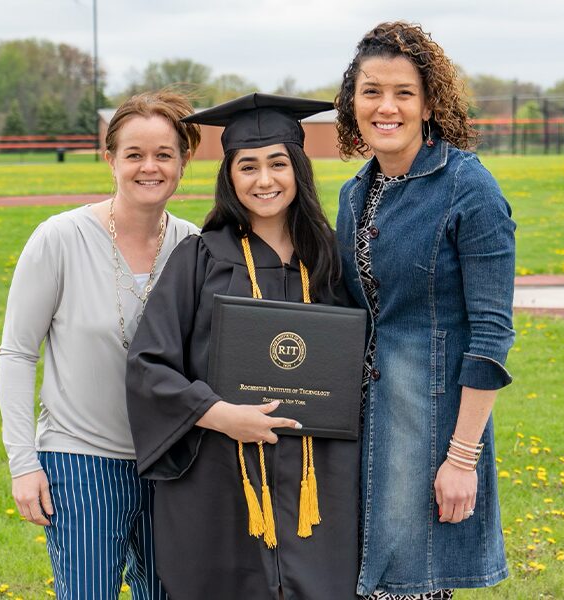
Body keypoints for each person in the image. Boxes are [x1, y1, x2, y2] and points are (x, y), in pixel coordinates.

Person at [125, 93, 360, 600]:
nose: (264, 180)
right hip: (220, 474)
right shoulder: (199, 259)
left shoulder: (330, 261)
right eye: (247, 166)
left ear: (298, 168)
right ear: (229, 176)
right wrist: (217, 414)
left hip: (316, 479)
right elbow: (149, 366)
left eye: (278, 164)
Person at [334, 22, 516, 599]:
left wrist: (462, 456)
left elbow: (490, 334)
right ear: (352, 102)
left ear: (429, 102)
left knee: (412, 582)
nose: (386, 107)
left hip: (429, 427)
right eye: (371, 91)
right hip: (358, 430)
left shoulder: (468, 187)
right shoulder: (353, 193)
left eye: (403, 93)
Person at [0, 90, 201, 599]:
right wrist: (23, 463)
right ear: (109, 158)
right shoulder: (59, 239)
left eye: (163, 155)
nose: (148, 167)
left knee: (168, 591)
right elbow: (17, 354)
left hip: (172, 462)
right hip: (82, 458)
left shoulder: (194, 247)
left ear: (183, 162)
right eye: (134, 154)